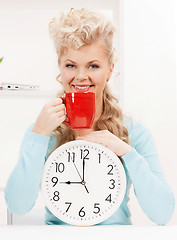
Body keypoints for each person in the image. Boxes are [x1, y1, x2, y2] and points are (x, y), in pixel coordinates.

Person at [5, 8, 175, 225]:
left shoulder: (133, 132)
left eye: (93, 66)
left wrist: (126, 152)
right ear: (60, 67)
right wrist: (38, 134)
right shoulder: (43, 129)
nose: (81, 76)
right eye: (70, 65)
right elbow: (18, 206)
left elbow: (162, 214)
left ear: (110, 70)